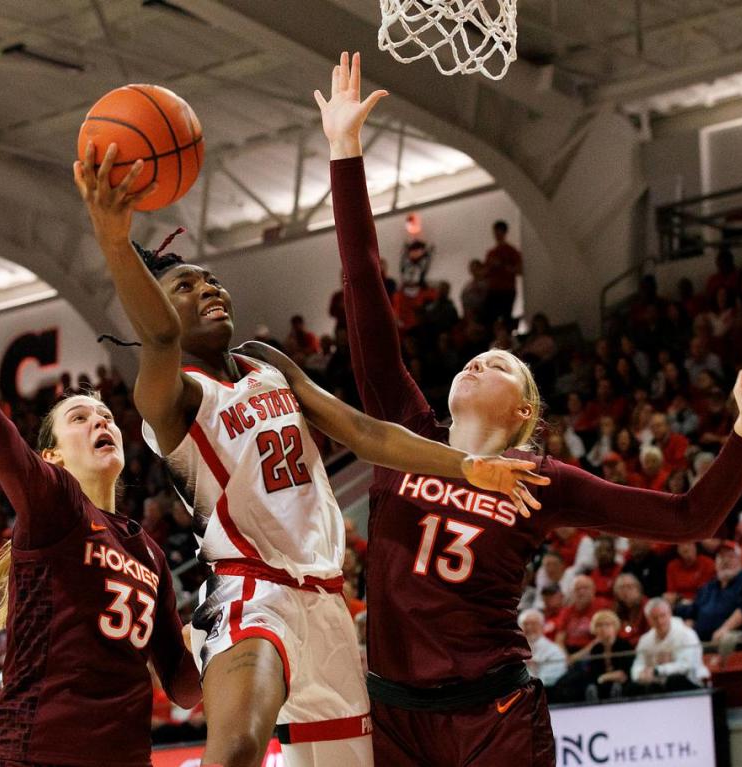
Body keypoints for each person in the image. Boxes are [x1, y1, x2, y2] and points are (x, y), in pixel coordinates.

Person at [318, 50, 742, 767]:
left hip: (492, 712)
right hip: (397, 716)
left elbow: (688, 517)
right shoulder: (408, 433)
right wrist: (345, 154)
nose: (480, 358)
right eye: (477, 358)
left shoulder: (541, 478)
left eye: (504, 364)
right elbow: (363, 286)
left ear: (522, 413)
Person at [74, 135, 544, 767]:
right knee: (239, 747)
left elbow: (365, 432)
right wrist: (112, 237)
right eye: (187, 285)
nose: (210, 288)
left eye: (212, 279)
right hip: (250, 594)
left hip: (327, 602)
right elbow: (158, 335)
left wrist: (465, 466)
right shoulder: (171, 394)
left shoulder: (267, 363)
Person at [0, 378, 200, 767]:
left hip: (125, 756)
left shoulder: (151, 553)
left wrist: (206, 640)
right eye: (80, 418)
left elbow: (182, 689)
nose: (101, 423)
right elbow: (14, 464)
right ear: (52, 456)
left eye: (107, 417)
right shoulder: (59, 505)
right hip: (39, 749)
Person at [676, 542, 742, 642]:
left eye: (731, 557)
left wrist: (725, 629)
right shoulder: (707, 587)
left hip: (736, 638)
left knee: (726, 639)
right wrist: (686, 635)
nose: (725, 561)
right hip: (703, 642)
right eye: (721, 557)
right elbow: (692, 614)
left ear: (741, 561)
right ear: (715, 562)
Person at [629, 599, 708, 695]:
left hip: (690, 682)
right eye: (655, 618)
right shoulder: (645, 640)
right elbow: (638, 664)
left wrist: (657, 670)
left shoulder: (686, 634)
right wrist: (640, 674)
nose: (660, 621)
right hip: (658, 683)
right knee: (635, 687)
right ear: (648, 620)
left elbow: (686, 665)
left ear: (670, 614)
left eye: (662, 616)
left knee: (674, 680)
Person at [518, 609, 566, 689]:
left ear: (542, 626)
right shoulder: (513, 651)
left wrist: (533, 670)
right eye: (525, 624)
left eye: (534, 624)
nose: (529, 627)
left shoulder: (554, 651)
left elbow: (550, 680)